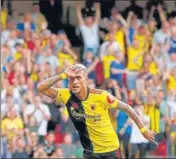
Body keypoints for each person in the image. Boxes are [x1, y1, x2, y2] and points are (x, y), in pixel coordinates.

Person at [37, 63, 156, 159]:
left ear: (86, 80)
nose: (75, 82)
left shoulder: (101, 96)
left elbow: (127, 108)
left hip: (112, 150)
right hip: (90, 152)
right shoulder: (66, 95)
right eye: (71, 79)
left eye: (79, 78)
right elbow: (41, 88)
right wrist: (62, 75)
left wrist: (143, 130)